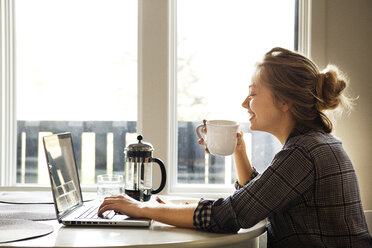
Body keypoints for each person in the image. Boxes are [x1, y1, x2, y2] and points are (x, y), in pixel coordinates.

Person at [98, 47, 372, 247]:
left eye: (253, 94)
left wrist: (140, 209)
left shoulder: (302, 153)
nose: (245, 103)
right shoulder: (314, 144)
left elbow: (228, 215)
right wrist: (239, 151)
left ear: (285, 101)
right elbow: (261, 199)